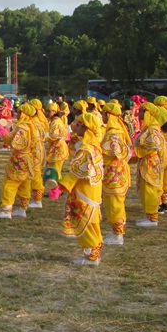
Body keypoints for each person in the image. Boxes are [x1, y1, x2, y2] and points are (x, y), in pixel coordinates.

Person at [59, 112, 105, 266]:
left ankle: (91, 256)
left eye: (78, 124)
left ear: (85, 127)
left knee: (85, 221)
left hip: (84, 191)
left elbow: (76, 171)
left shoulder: (86, 149)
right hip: (93, 190)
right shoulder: (93, 146)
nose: (75, 127)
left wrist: (63, 184)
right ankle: (94, 252)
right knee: (92, 221)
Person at [0, 102, 37, 219]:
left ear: (23, 114)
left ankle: (6, 211)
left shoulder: (23, 128)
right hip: (29, 158)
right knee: (25, 184)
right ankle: (22, 209)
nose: (16, 114)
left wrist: (2, 132)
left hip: (19, 159)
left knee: (10, 184)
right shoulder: (32, 125)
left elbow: (14, 143)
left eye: (18, 112)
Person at [132, 102, 167, 228]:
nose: (138, 113)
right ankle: (149, 215)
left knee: (149, 189)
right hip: (147, 161)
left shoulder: (152, 129)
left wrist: (137, 150)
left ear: (147, 113)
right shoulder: (149, 128)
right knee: (146, 189)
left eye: (141, 111)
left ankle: (153, 217)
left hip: (150, 162)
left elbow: (154, 145)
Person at [100, 100, 131, 245]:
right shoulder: (118, 130)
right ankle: (116, 232)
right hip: (117, 170)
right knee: (115, 202)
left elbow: (111, 152)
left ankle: (118, 235)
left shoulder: (113, 133)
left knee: (114, 203)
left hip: (114, 171)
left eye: (103, 113)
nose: (102, 116)